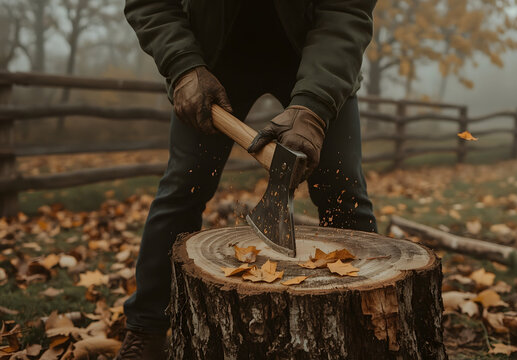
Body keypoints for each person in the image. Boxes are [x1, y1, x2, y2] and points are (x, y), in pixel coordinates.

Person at [117, 0, 378, 358]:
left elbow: (347, 10)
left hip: (315, 57)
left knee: (343, 189)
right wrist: (183, 66)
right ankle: (146, 329)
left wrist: (316, 106)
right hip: (211, 59)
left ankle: (375, 326)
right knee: (183, 185)